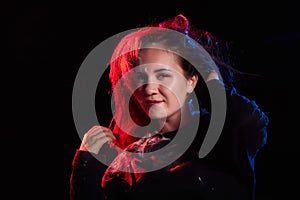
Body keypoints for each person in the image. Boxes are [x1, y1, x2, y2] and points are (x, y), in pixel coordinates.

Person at [70, 14, 269, 200]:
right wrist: (86, 162)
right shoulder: (128, 160)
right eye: (139, 77)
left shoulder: (228, 134)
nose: (149, 88)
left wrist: (213, 84)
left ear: (192, 80)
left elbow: (247, 121)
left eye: (163, 75)